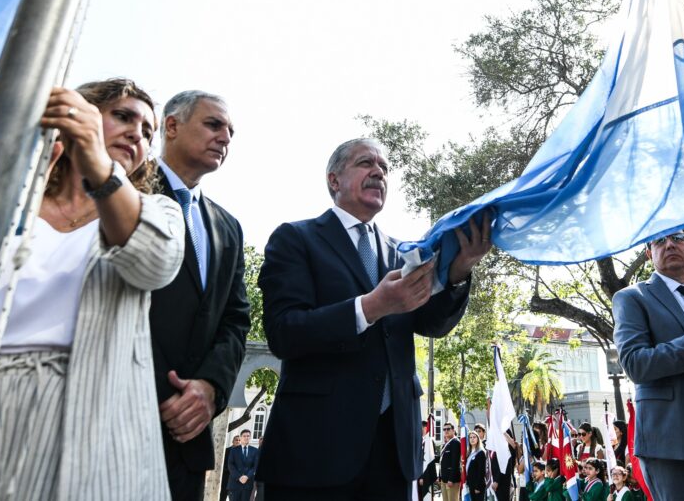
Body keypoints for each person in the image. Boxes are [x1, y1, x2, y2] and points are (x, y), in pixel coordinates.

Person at [0, 79, 184, 499]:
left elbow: (155, 262)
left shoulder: (155, 210)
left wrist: (100, 171)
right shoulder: (3, 198)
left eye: (147, 131)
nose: (137, 134)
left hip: (88, 414)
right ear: (75, 115)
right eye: (123, 116)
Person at [256, 138, 491, 499]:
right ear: (334, 180)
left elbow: (432, 324)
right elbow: (285, 332)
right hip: (314, 451)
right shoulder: (296, 239)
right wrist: (370, 307)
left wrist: (460, 271)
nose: (378, 172)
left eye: (384, 168)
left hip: (392, 454)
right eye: (366, 163)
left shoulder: (404, 252)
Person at [151, 90, 251, 500]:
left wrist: (209, 388)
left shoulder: (228, 227)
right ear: (171, 126)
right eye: (213, 125)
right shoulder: (120, 192)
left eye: (230, 131)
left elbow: (235, 319)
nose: (225, 137)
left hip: (188, 441)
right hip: (113, 418)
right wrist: (165, 392)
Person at [612, 228, 684, 500]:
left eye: (678, 238)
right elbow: (635, 364)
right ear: (649, 254)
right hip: (672, 445)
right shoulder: (631, 298)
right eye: (659, 241)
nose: (669, 244)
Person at [227, 429, 258, 501]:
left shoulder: (255, 451)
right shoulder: (234, 450)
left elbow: (255, 466)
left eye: (248, 436)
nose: (246, 437)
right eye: (244, 436)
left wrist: (247, 476)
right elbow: (230, 465)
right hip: (235, 483)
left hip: (247, 484)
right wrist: (239, 477)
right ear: (240, 438)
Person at [441, 423, 464, 501]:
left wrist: (451, 479)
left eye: (448, 429)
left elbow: (455, 463)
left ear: (453, 430)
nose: (446, 431)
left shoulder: (455, 442)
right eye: (444, 429)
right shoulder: (447, 444)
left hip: (452, 480)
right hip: (444, 479)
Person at [467, 430, 491, 501]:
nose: (472, 439)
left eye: (474, 437)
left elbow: (481, 471)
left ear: (478, 439)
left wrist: (478, 487)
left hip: (478, 485)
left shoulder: (481, 452)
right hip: (471, 484)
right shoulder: (469, 452)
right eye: (470, 437)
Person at [221, 435, 240, 501]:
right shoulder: (227, 450)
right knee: (223, 495)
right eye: (236, 440)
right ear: (233, 441)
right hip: (226, 476)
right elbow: (223, 463)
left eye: (239, 440)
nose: (237, 441)